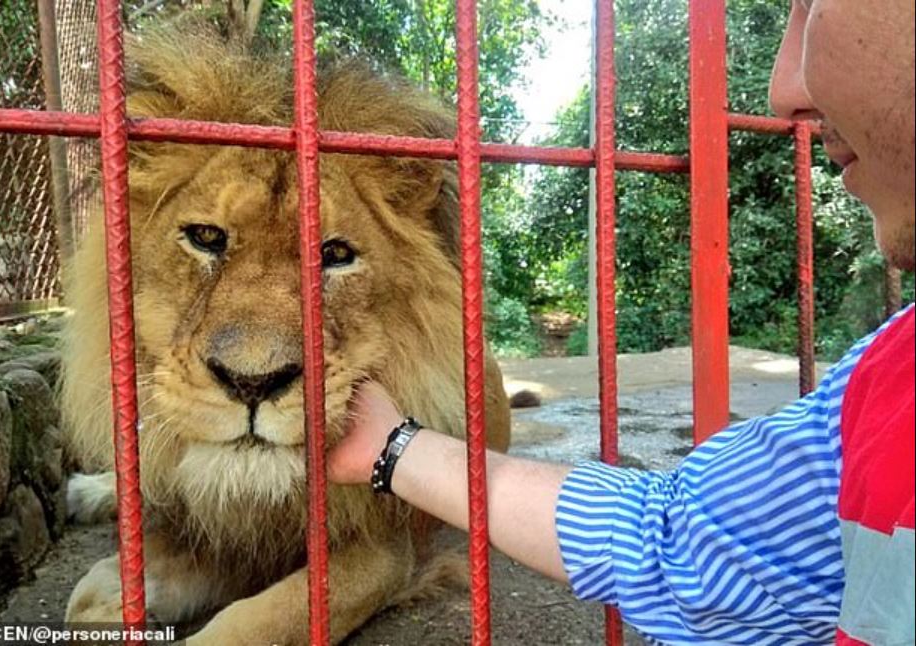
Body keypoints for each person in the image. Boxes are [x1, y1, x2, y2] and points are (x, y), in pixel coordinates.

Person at [328, 0, 915, 643]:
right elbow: (671, 543)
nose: (782, 95)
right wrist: (394, 447)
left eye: (812, 4)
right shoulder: (885, 376)